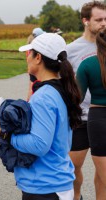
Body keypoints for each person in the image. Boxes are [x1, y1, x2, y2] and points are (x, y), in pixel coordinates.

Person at [14, 33, 82, 200]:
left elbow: (39, 145)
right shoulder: (60, 89)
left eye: (29, 53)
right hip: (55, 182)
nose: (27, 58)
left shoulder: (43, 96)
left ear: (38, 58)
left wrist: (6, 134)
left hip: (46, 187)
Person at [66, 2, 106, 199]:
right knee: (72, 168)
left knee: (103, 172)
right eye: (99, 20)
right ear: (85, 21)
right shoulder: (71, 50)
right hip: (80, 118)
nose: (103, 24)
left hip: (102, 116)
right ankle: (77, 195)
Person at [76, 30, 106, 200]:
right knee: (101, 179)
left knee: (103, 175)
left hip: (98, 120)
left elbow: (77, 98)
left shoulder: (87, 64)